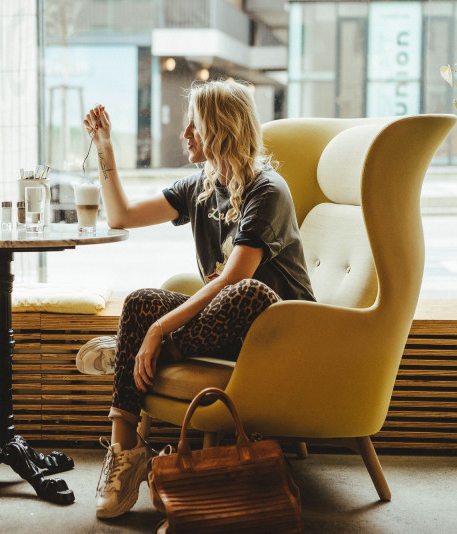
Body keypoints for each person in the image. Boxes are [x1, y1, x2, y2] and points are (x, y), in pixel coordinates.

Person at [82, 79, 316, 520]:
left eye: (195, 126)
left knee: (248, 293)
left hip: (282, 334)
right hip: (220, 330)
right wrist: (104, 148)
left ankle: (135, 348)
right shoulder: (202, 186)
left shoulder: (268, 191)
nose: (185, 134)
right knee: (138, 302)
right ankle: (125, 454)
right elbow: (122, 216)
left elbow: (232, 280)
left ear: (221, 130)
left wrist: (158, 330)